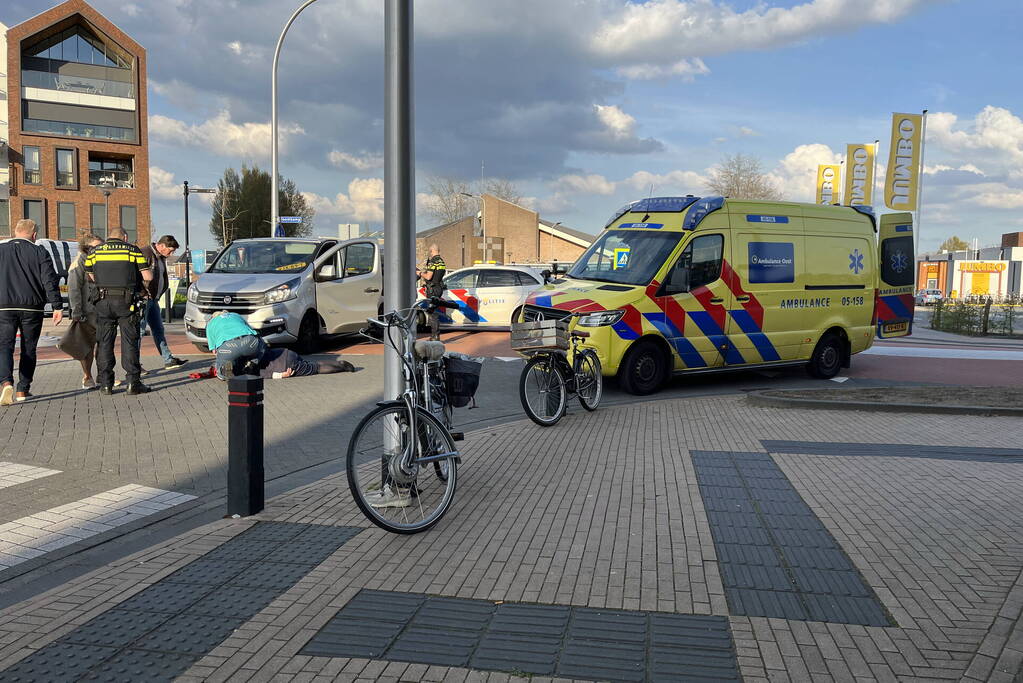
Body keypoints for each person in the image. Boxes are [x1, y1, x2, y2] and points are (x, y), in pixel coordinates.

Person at [0, 219, 64, 405]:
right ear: (35, 235)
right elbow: (49, 280)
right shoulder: (39, 251)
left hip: (4, 306)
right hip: (31, 307)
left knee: (4, 346)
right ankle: (23, 389)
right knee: (29, 347)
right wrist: (57, 306)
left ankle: (5, 383)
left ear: (15, 231)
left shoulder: (1, 250)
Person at [84, 227, 153, 395]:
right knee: (129, 342)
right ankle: (133, 383)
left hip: (102, 302)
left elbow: (90, 276)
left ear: (109, 237)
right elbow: (148, 277)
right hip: (126, 302)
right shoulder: (132, 250)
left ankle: (106, 384)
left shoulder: (94, 252)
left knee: (105, 343)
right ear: (125, 237)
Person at [139, 235, 186, 370]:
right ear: (161, 246)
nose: (171, 254)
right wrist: (143, 294)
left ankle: (168, 359)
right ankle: (134, 364)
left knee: (158, 329)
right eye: (170, 251)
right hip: (145, 299)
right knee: (140, 332)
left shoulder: (159, 257)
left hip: (153, 299)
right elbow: (139, 275)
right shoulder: (146, 253)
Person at [67, 233, 104, 389]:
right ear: (87, 247)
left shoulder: (98, 261)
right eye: (98, 246)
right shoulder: (79, 262)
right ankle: (87, 376)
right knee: (87, 346)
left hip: (101, 310)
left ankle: (103, 376)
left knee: (103, 344)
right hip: (87, 312)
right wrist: (76, 312)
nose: (102, 249)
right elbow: (73, 288)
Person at [206, 311, 266, 379]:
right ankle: (252, 363)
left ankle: (225, 372)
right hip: (249, 342)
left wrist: (221, 359)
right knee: (261, 345)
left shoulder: (210, 324)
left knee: (223, 362)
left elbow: (214, 351)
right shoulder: (235, 315)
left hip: (228, 347)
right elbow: (252, 331)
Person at [254, 347, 354, 379]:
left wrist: (280, 375)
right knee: (311, 364)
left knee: (316, 369)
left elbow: (261, 373)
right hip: (285, 353)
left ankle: (342, 365)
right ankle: (339, 363)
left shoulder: (242, 364)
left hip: (284, 365)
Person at [416, 243, 446, 340]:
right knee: (434, 311)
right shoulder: (441, 261)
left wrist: (420, 273)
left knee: (432, 313)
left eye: (430, 252)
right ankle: (435, 335)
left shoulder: (433, 261)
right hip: (438, 288)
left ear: (431, 251)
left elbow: (429, 276)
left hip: (432, 290)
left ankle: (435, 336)